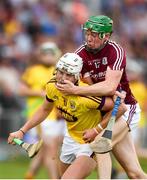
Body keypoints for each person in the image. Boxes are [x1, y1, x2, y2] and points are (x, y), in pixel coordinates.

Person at [8, 53, 126, 179]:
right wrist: (22, 131)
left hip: (88, 144)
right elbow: (44, 109)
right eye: (61, 72)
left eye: (68, 75)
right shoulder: (53, 85)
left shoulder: (86, 95)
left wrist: (96, 129)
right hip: (70, 139)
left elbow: (120, 108)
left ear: (76, 76)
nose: (63, 78)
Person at [55, 15, 147, 178]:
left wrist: (76, 91)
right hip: (106, 110)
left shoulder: (115, 51)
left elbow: (109, 86)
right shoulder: (80, 54)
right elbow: (91, 88)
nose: (89, 38)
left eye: (94, 35)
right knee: (134, 174)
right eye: (87, 33)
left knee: (99, 144)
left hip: (125, 109)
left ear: (106, 36)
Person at [19, 41, 65, 179]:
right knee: (49, 149)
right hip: (39, 116)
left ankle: (30, 175)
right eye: (46, 53)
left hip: (57, 117)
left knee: (49, 151)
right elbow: (21, 90)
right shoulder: (32, 71)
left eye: (51, 53)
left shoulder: (59, 71)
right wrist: (40, 93)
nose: (48, 56)